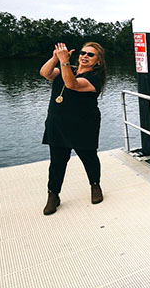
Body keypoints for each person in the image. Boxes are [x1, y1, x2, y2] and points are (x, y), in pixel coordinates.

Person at [39, 42, 107, 215]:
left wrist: (64, 62)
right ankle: (53, 195)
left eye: (90, 55)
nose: (85, 56)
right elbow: (45, 73)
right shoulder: (67, 68)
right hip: (58, 123)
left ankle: (95, 185)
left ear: (98, 61)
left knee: (89, 156)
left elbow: (72, 84)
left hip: (83, 124)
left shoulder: (94, 78)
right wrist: (56, 58)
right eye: (83, 53)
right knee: (57, 162)